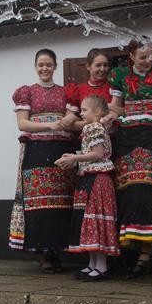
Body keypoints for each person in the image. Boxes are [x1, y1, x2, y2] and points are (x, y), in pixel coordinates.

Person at [105, 40, 152, 277]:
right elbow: (116, 107)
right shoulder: (119, 74)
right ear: (131, 56)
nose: (148, 61)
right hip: (128, 136)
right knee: (129, 188)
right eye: (143, 57)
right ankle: (133, 247)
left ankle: (151, 249)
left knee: (151, 186)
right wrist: (108, 117)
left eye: (150, 56)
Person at [8, 49, 76, 273]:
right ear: (36, 66)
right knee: (40, 203)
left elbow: (71, 121)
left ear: (55, 66)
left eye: (48, 65)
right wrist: (50, 125)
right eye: (41, 65)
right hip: (37, 149)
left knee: (60, 203)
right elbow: (23, 124)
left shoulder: (66, 93)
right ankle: (44, 253)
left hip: (61, 149)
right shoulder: (27, 92)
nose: (45, 69)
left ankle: (56, 250)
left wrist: (74, 121)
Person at [57, 94, 119, 280]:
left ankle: (101, 266)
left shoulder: (93, 127)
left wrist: (75, 158)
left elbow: (98, 154)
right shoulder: (96, 128)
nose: (81, 113)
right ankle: (93, 264)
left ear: (98, 112)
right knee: (92, 221)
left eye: (84, 110)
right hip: (92, 177)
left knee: (95, 219)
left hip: (97, 179)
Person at [63, 48, 115, 132]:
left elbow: (122, 112)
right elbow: (67, 124)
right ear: (88, 66)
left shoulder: (114, 88)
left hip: (112, 139)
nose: (102, 69)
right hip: (87, 140)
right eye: (98, 65)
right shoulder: (77, 90)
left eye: (105, 65)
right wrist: (95, 122)